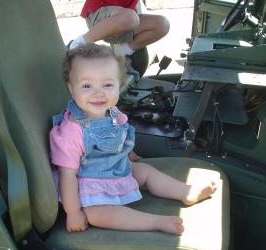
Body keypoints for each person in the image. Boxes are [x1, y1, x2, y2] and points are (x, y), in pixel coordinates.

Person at [50, 44, 216, 235]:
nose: (98, 92)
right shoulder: (72, 131)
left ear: (119, 85)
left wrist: (127, 153)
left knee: (145, 172)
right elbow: (67, 176)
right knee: (96, 214)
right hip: (86, 183)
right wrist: (73, 212)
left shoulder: (112, 113)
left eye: (107, 84)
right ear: (71, 88)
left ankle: (185, 192)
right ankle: (155, 222)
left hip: (115, 169)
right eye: (87, 85)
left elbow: (120, 136)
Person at [68, 0, 170, 57]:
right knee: (131, 18)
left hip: (127, 21)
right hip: (100, 15)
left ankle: (121, 52)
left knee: (162, 24)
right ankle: (79, 43)